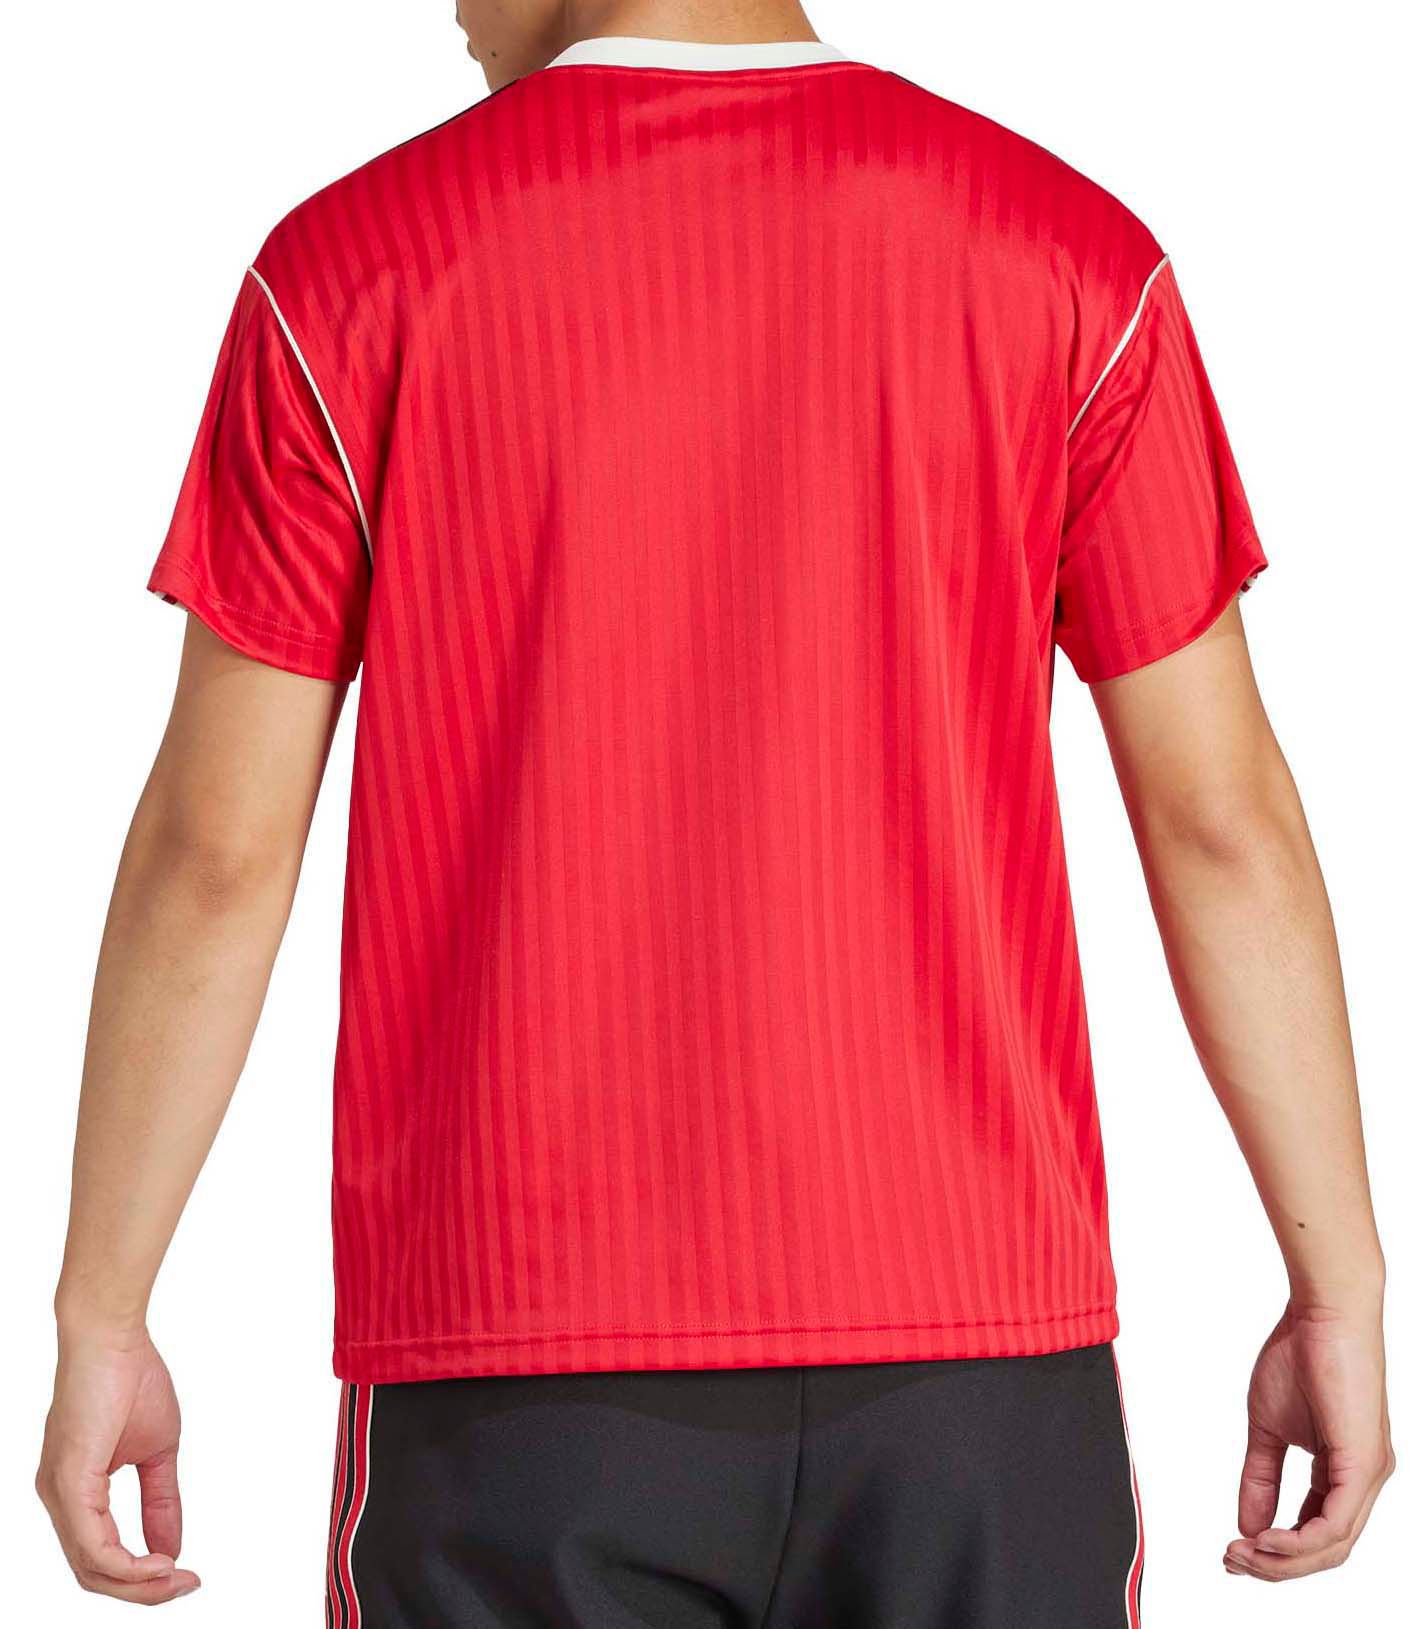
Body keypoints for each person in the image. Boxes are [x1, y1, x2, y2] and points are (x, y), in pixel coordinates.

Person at [36, 0, 1393, 1620]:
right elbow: (1218, 818)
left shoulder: (351, 271)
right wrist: (1337, 1283)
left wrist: (102, 1307)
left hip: (520, 1364)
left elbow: (218, 850)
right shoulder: (1065, 254)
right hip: (976, 1369)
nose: (443, 7)